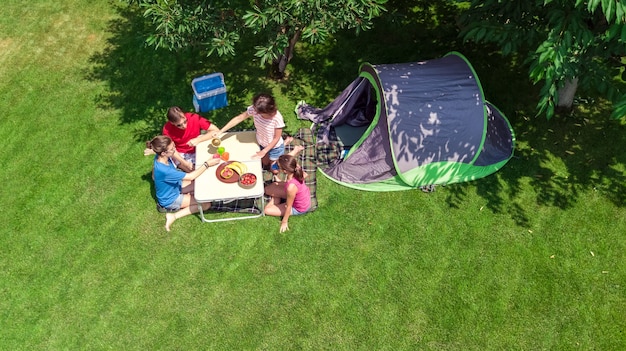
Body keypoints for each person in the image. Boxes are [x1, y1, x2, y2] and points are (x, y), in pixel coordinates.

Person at [149, 135, 221, 231]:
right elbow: (191, 176)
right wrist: (207, 164)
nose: (175, 149)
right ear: (163, 153)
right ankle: (173, 216)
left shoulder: (159, 157)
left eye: (174, 146)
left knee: (201, 183)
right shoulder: (165, 171)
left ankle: (187, 194)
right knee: (206, 204)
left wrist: (185, 163)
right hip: (171, 199)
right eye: (172, 149)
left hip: (175, 187)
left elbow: (154, 176)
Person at [211, 93, 291, 172]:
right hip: (262, 143)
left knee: (274, 169)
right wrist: (221, 131)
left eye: (258, 112)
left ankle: (285, 144)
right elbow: (239, 118)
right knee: (265, 163)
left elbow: (276, 138)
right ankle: (283, 144)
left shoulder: (277, 118)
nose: (254, 112)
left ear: (267, 111)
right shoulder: (255, 109)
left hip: (275, 147)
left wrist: (264, 151)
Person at [144, 106, 220, 172]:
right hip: (180, 153)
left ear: (184, 115)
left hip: (198, 146)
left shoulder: (194, 117)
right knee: (197, 172)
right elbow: (171, 150)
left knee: (215, 161)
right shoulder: (167, 129)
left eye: (185, 121)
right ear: (171, 123)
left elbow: (216, 130)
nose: (184, 126)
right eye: (179, 125)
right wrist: (185, 163)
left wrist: (199, 139)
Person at [263, 145, 310, 233]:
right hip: (298, 194)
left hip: (298, 208)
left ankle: (276, 197)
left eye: (278, 166)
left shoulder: (291, 187)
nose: (276, 166)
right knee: (269, 188)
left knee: (267, 210)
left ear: (284, 171)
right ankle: (276, 195)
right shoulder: (295, 167)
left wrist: (284, 222)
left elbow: (288, 206)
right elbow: (289, 159)